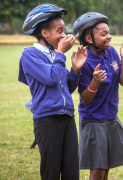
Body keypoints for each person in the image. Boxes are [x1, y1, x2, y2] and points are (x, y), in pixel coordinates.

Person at [18, 4, 87, 180]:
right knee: (51, 173)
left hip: (67, 118)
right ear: (44, 33)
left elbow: (67, 87)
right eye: (59, 31)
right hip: (47, 120)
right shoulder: (30, 54)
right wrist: (61, 53)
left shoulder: (55, 55)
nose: (64, 35)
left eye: (64, 30)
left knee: (72, 172)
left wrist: (76, 70)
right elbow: (51, 77)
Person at [72, 12, 123, 180]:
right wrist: (95, 82)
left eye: (109, 32)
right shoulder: (84, 60)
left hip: (111, 117)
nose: (109, 36)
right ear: (90, 39)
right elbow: (85, 99)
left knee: (106, 167)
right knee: (98, 169)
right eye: (104, 34)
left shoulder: (111, 52)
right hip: (94, 120)